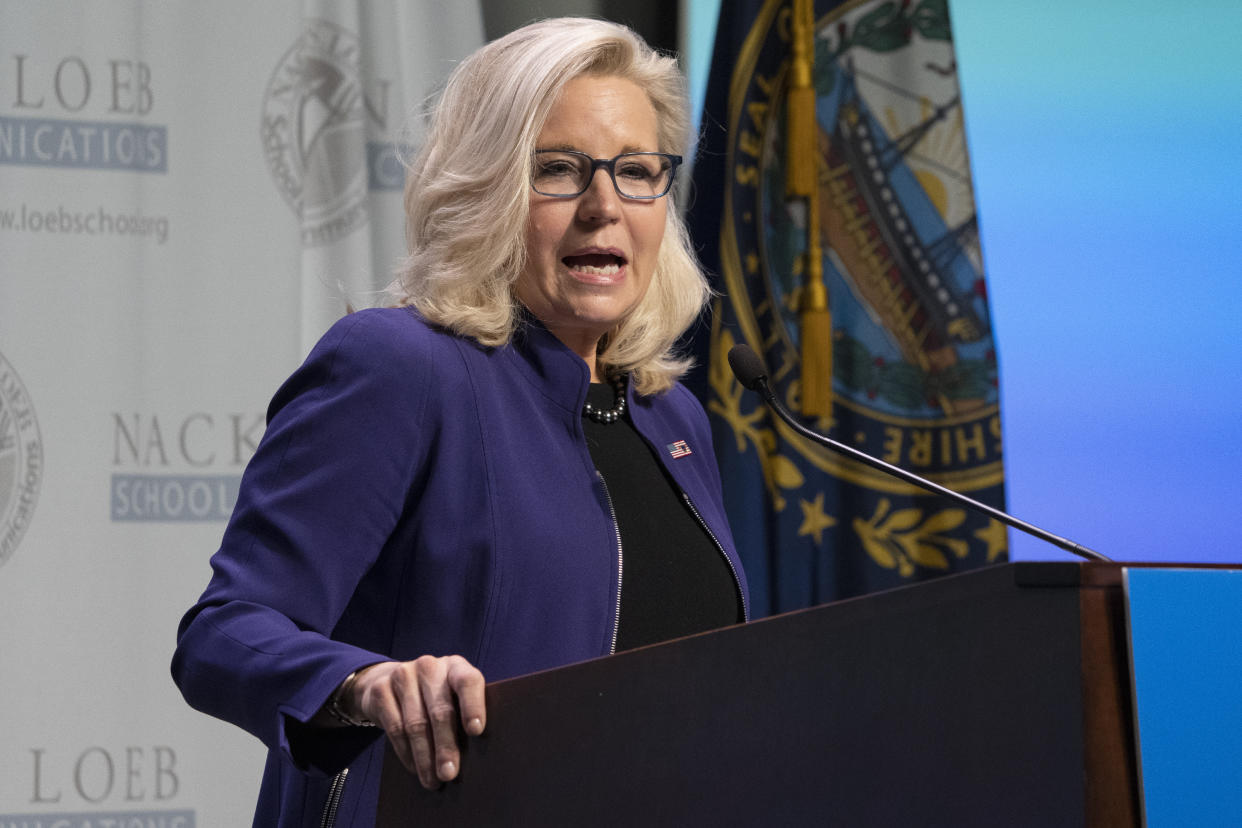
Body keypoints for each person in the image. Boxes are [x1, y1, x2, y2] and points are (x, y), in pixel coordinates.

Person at [171, 17, 748, 828]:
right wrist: (364, 684)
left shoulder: (669, 414)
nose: (603, 207)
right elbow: (223, 636)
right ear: (487, 186)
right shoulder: (401, 367)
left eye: (637, 172)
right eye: (557, 170)